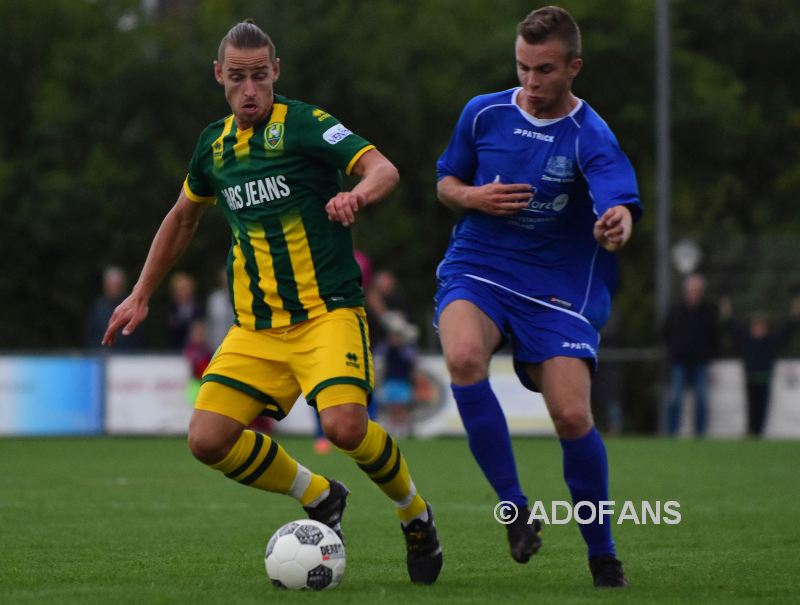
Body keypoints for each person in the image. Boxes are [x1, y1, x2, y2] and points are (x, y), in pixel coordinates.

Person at [103, 21, 441, 585]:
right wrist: (141, 293)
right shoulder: (214, 146)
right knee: (207, 440)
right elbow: (183, 216)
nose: (250, 89)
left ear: (275, 72)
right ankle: (320, 495)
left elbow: (383, 168)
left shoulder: (306, 125)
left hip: (326, 313)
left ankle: (415, 514)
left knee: (345, 428)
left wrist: (356, 193)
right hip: (256, 329)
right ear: (220, 77)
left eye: (260, 76)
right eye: (238, 78)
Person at [433, 6, 640, 588]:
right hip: (479, 267)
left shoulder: (591, 135)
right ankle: (515, 510)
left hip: (555, 287)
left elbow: (616, 201)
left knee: (573, 415)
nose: (530, 83)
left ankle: (603, 554)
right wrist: (473, 198)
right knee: (464, 358)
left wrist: (616, 221)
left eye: (544, 70)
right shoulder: (483, 113)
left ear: (573, 67)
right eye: (522, 68)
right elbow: (447, 181)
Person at [720, 297, 800, 437]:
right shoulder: (747, 340)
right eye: (756, 326)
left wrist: (794, 315)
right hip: (750, 379)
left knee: (762, 407)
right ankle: (751, 431)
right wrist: (727, 313)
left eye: (761, 326)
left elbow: (786, 332)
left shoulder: (769, 340)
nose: (758, 329)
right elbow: (732, 330)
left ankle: (759, 432)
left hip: (764, 378)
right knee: (752, 407)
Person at [663, 274, 718, 437]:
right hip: (679, 361)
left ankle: (700, 434)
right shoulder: (676, 310)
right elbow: (665, 332)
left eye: (697, 290)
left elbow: (714, 336)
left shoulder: (708, 311)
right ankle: (672, 433)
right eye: (691, 289)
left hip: (700, 362)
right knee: (676, 398)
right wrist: (673, 350)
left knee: (701, 398)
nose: (693, 293)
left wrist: (709, 354)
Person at [84, 266, 143, 350]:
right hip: (101, 355)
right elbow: (90, 334)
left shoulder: (131, 305)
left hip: (127, 355)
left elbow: (138, 336)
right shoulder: (98, 307)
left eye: (117, 285)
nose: (114, 288)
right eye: (111, 284)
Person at [167, 271, 205, 349]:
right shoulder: (170, 308)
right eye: (180, 289)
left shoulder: (199, 307)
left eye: (186, 288)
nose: (184, 292)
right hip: (174, 351)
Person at [205, 267, 236, 350]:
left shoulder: (240, 298)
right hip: (216, 345)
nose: (226, 283)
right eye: (223, 281)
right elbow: (209, 322)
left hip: (236, 344)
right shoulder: (214, 298)